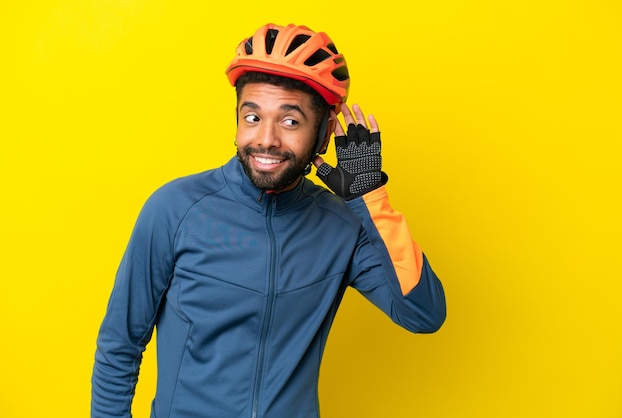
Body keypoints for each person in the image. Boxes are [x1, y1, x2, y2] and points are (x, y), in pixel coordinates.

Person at [91, 23, 446, 418]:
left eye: (290, 121)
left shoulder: (342, 225)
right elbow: (121, 344)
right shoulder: (175, 209)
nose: (267, 139)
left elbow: (423, 314)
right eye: (253, 117)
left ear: (325, 132)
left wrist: (370, 197)